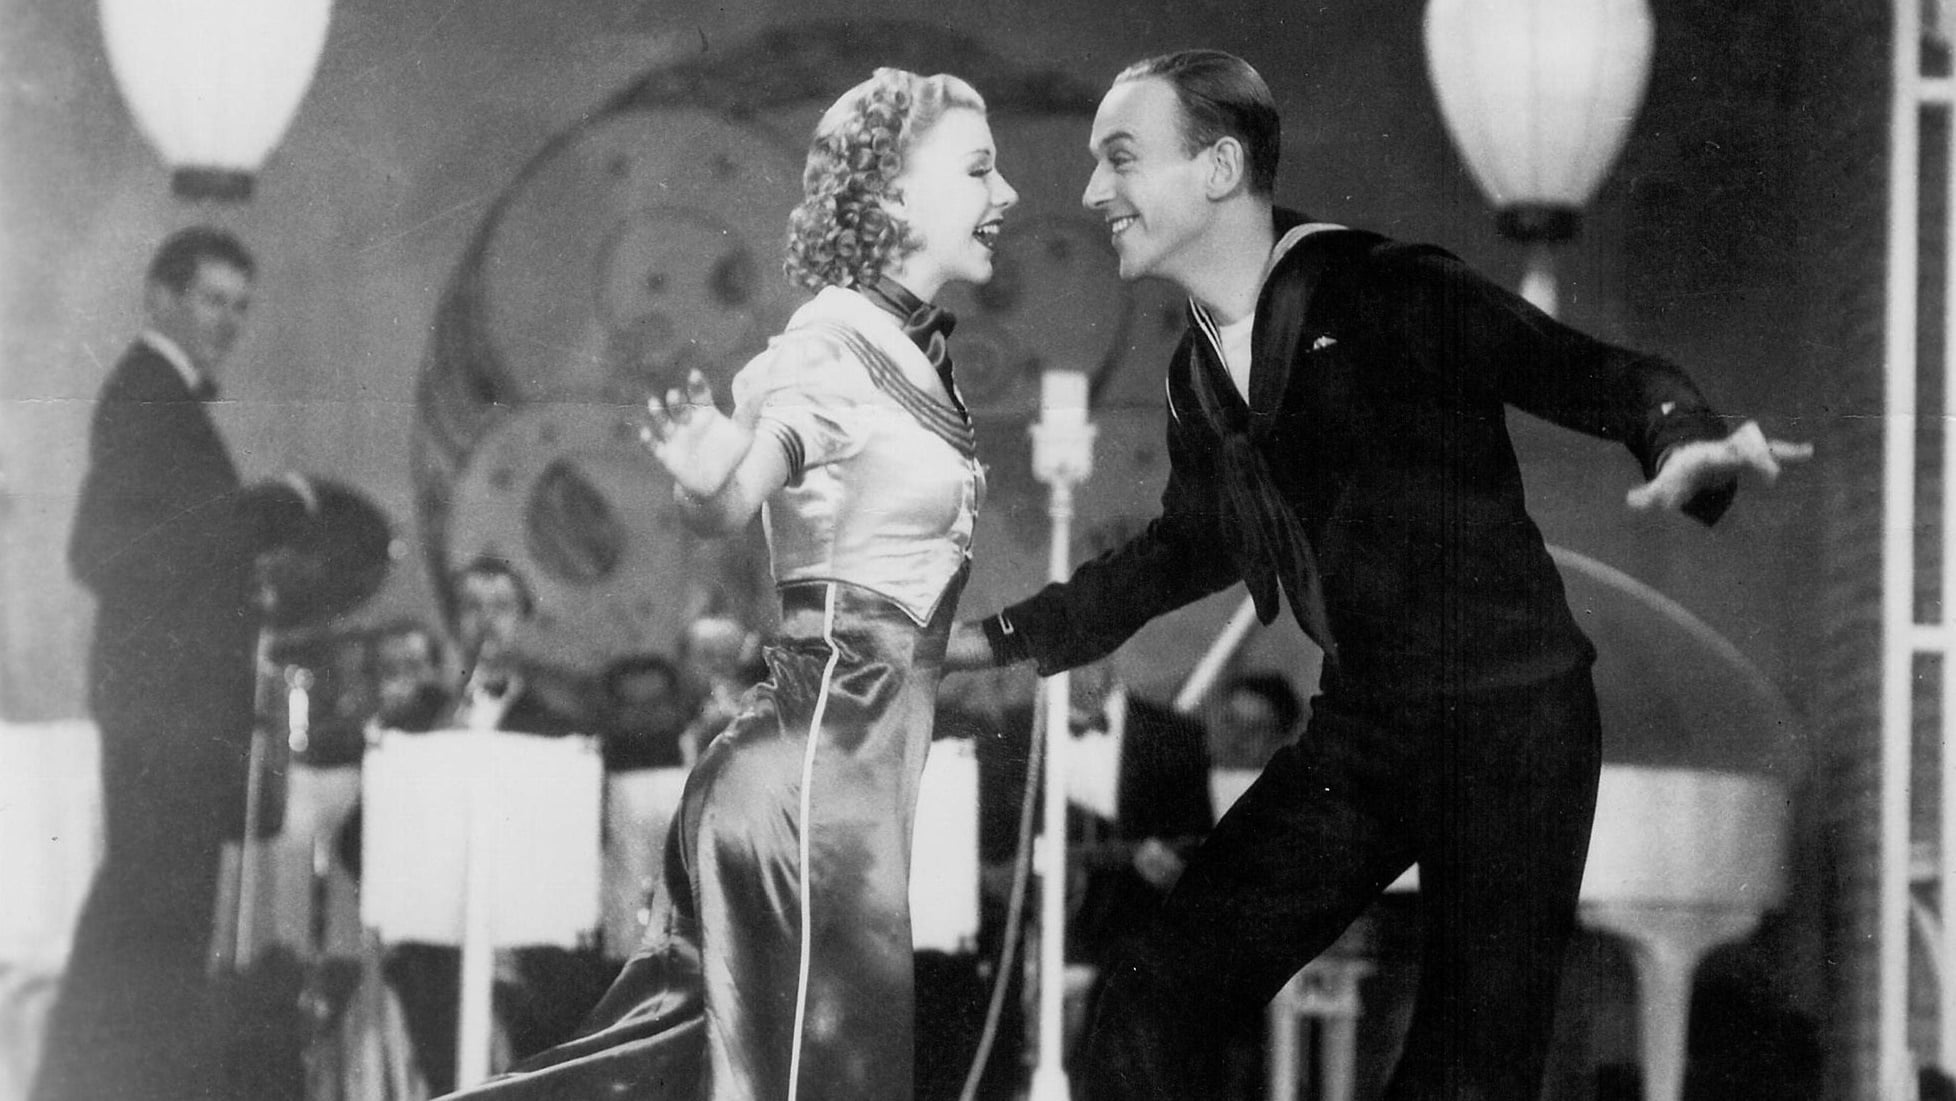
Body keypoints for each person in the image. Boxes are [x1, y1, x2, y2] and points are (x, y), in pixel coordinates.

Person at [945, 50, 1813, 1101]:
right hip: (1370, 728)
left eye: (1121, 158)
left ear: (1219, 167)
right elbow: (1183, 547)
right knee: (1155, 992)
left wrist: (1680, 435)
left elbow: (1582, 368)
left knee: (1463, 1080)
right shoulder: (1194, 379)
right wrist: (991, 641)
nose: (1092, 191)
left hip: (1516, 723)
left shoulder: (1386, 287)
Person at [443, 65, 1016, 1101]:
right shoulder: (833, 348)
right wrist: (712, 475)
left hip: (843, 788)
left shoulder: (901, 351)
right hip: (808, 793)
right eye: (979, 169)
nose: (1005, 193)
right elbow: (741, 484)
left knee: (663, 1071)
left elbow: (904, 613)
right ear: (895, 196)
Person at [38, 226, 315, 1101]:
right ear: (160, 296)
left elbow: (119, 546)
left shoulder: (151, 398)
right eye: (212, 299)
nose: (228, 321)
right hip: (169, 711)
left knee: (146, 916)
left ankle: (80, 1087)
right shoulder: (148, 395)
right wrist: (267, 510)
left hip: (167, 707)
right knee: (154, 918)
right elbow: (131, 545)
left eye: (240, 305)